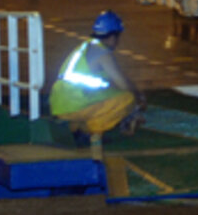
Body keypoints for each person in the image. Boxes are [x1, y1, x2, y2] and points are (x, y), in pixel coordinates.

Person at [48, 10, 143, 145]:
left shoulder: (85, 47)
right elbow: (123, 85)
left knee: (109, 94)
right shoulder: (103, 54)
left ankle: (75, 127)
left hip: (60, 103)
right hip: (74, 104)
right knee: (127, 98)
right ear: (112, 37)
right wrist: (138, 100)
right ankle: (89, 133)